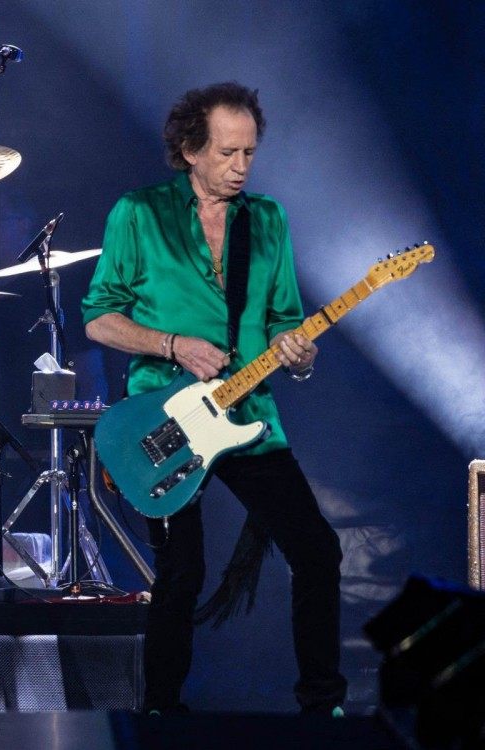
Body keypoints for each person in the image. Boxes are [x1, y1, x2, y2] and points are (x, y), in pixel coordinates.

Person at [81, 82, 346, 715]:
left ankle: (322, 705)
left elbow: (285, 318)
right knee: (182, 571)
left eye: (250, 153)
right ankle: (162, 713)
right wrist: (173, 344)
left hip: (249, 415)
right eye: (227, 153)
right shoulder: (139, 213)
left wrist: (299, 354)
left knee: (317, 550)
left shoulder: (269, 219)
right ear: (190, 150)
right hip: (164, 417)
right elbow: (98, 318)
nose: (241, 167)